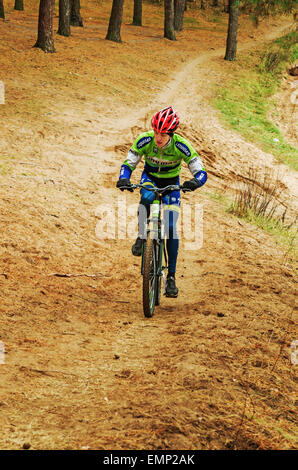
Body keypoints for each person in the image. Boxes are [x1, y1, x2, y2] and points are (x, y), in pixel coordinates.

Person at [116, 106, 207, 298]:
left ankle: (171, 278)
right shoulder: (145, 140)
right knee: (147, 196)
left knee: (171, 226)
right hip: (150, 178)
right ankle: (142, 235)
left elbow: (200, 170)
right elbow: (129, 161)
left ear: (172, 134)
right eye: (157, 132)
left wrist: (195, 182)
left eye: (163, 135)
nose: (158, 138)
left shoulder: (181, 146)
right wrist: (124, 177)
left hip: (171, 184)